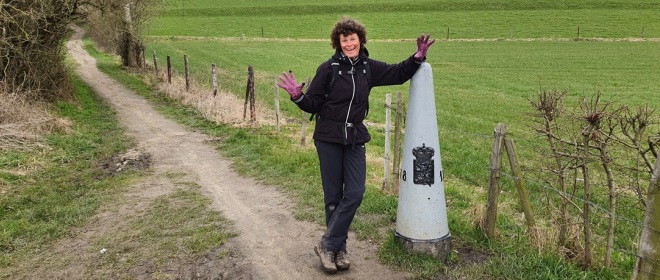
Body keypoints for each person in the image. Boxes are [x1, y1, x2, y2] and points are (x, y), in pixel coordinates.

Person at [277, 17, 435, 274]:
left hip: (355, 138)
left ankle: (327, 243)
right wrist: (299, 97)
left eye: (353, 38)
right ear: (338, 43)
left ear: (360, 40)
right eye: (344, 39)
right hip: (328, 138)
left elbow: (397, 73)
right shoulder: (328, 69)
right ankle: (338, 249)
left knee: (355, 193)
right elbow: (314, 104)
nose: (349, 43)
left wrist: (416, 57)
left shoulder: (368, 68)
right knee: (333, 197)